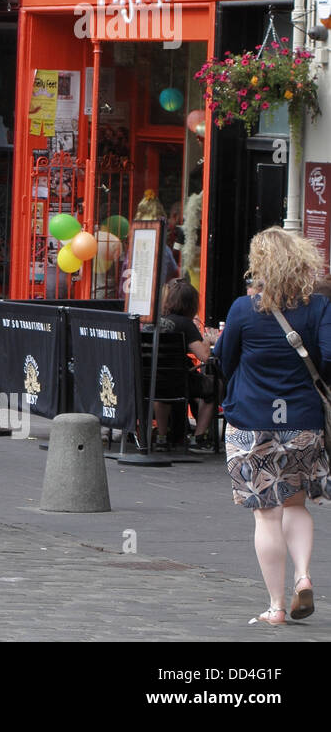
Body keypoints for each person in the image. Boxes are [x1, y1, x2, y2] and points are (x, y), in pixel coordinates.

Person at [214, 227, 331, 625]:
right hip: (303, 422)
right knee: (296, 504)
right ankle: (303, 576)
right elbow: (329, 360)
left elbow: (224, 360)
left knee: (266, 514)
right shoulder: (319, 307)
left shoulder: (243, 309)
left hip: (251, 421)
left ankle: (277, 607)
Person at [153, 278, 221, 451]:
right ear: (190, 304)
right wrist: (208, 339)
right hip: (178, 383)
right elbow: (204, 356)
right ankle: (198, 437)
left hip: (151, 382)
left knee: (162, 390)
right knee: (215, 386)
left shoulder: (153, 320)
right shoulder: (185, 324)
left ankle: (162, 437)